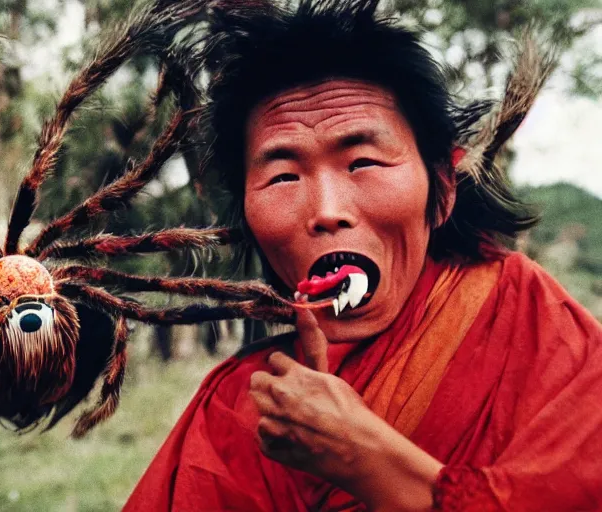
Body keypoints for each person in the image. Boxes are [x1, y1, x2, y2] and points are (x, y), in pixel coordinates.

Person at [124, 0, 602, 510]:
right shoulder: (241, 410)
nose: (327, 211)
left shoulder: (529, 324)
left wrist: (369, 462)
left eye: (364, 162)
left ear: (441, 188)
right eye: (283, 175)